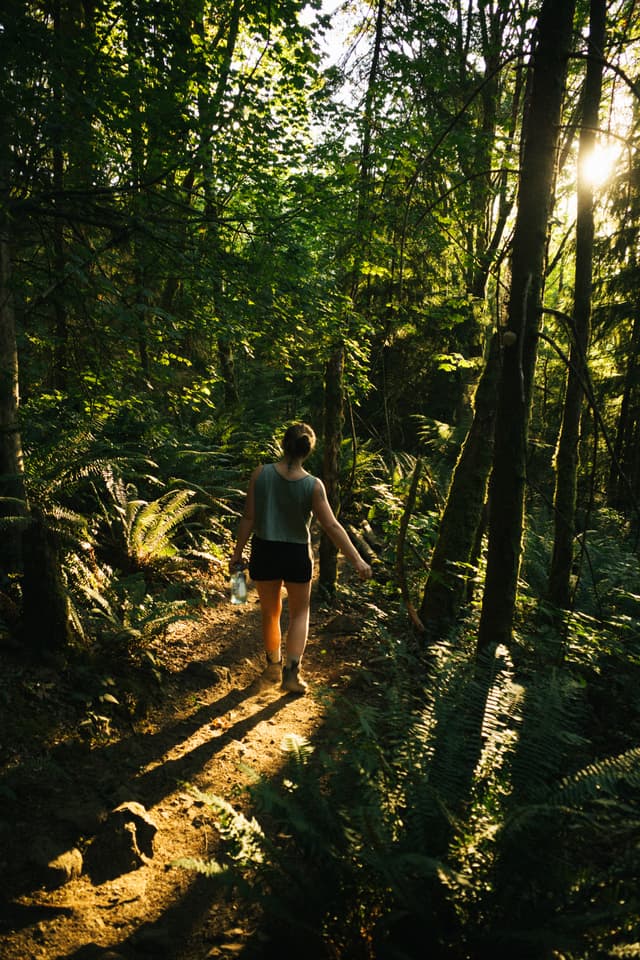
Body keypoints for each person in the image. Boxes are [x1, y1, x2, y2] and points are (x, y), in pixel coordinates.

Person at [229, 423, 372, 694]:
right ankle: (291, 675)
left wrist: (237, 554)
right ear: (309, 450)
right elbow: (331, 526)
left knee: (270, 613)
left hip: (265, 549)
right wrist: (357, 560)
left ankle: (273, 664)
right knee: (300, 614)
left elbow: (248, 517)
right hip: (296, 554)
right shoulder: (313, 485)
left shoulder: (260, 474)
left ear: (284, 444)